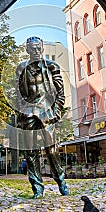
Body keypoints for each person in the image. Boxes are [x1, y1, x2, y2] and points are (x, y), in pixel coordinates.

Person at [16, 36, 68, 198]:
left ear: (42, 48)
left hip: (46, 111)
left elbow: (60, 93)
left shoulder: (52, 66)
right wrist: (20, 112)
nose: (36, 51)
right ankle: (37, 186)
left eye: (38, 48)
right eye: (32, 48)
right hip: (28, 112)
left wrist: (57, 111)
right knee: (30, 152)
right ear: (27, 50)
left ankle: (61, 181)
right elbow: (18, 94)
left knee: (51, 150)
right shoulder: (21, 68)